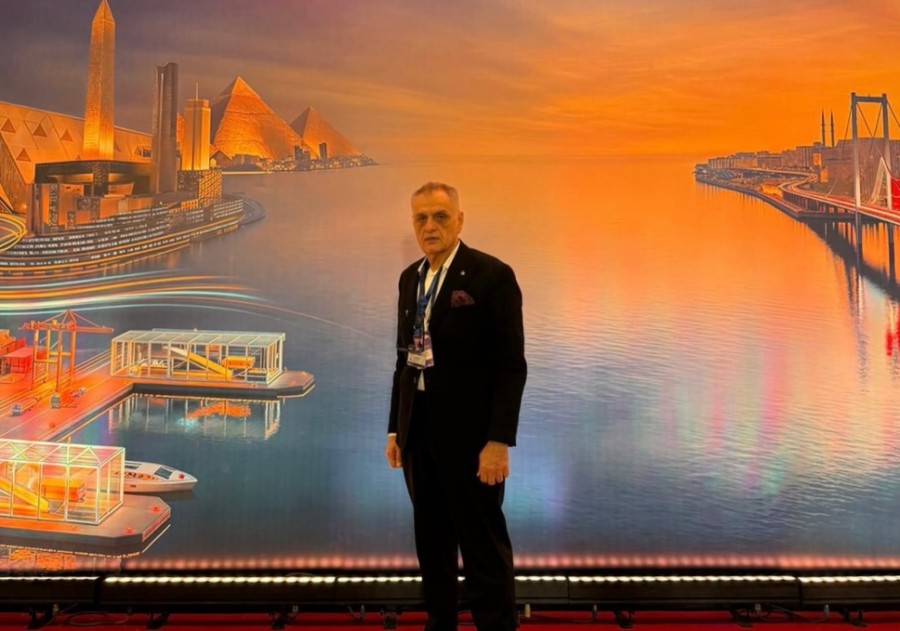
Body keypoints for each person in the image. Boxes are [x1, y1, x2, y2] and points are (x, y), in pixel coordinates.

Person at [386, 182, 527, 631]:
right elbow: (403, 361)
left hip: (473, 443)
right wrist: (395, 430)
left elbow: (511, 366)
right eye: (421, 218)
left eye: (440, 217)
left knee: (483, 548)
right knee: (432, 547)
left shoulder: (492, 275)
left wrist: (498, 441)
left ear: (460, 220)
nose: (429, 226)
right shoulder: (410, 279)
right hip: (418, 437)